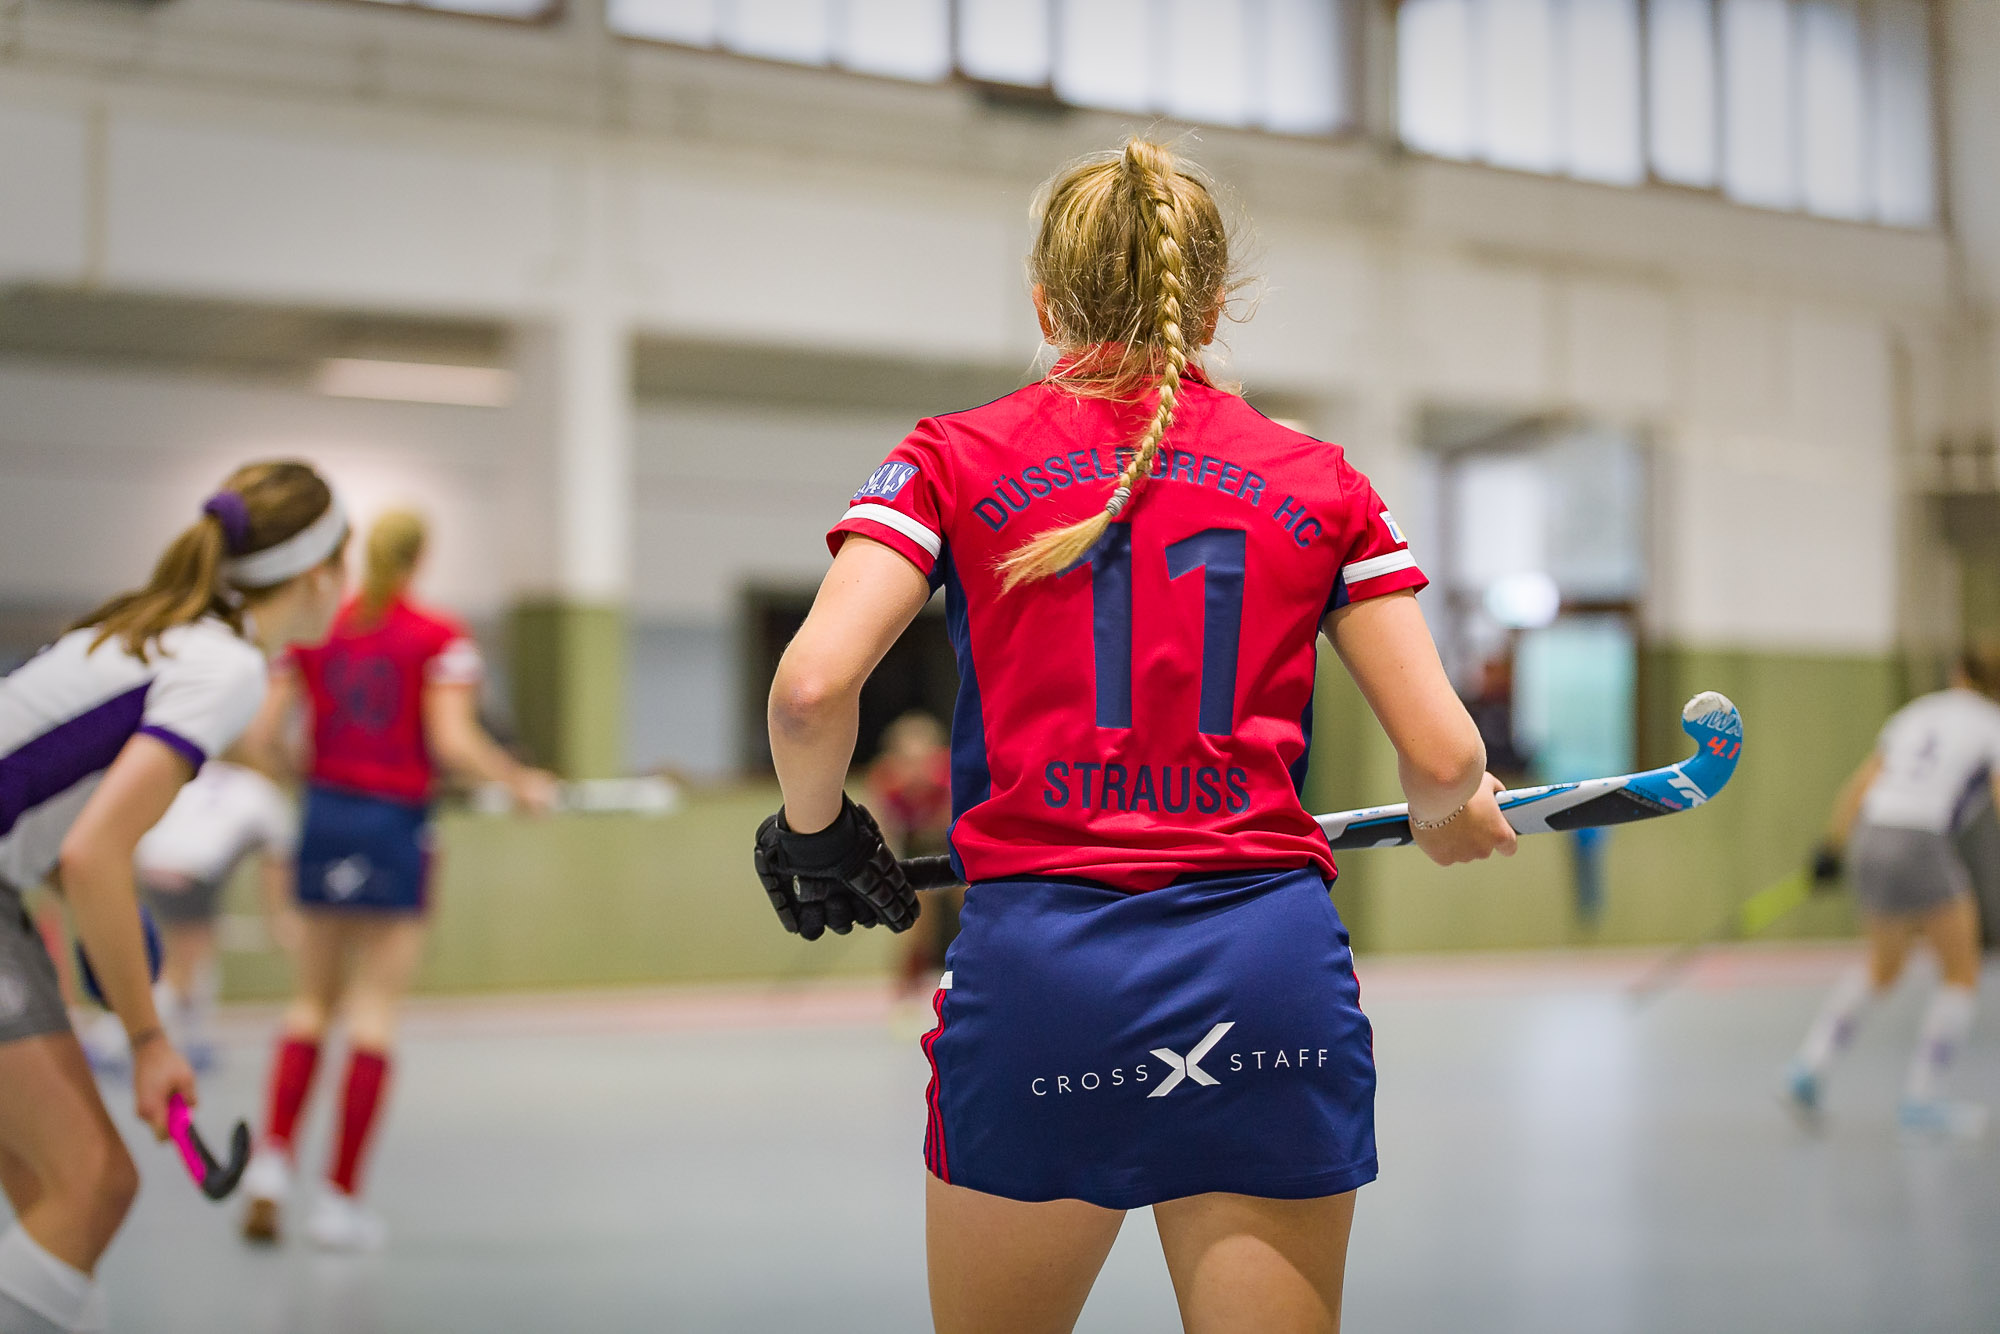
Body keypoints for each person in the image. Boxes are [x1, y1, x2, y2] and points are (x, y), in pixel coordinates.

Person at [753, 139, 1515, 1334]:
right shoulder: (1321, 481)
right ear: (1211, 307)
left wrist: (814, 832)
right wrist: (1441, 813)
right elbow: (1445, 754)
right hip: (1267, 977)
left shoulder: (949, 457)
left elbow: (807, 692)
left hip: (1045, 980)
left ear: (1043, 302)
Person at [0, 462, 346, 1334]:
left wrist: (117, 942)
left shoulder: (151, 629)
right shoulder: (226, 668)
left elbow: (53, 831)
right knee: (94, 1183)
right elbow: (94, 854)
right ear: (318, 576)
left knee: (51, 1195)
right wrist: (151, 1041)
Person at [239, 508, 556, 1252]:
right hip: (392, 824)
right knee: (373, 1010)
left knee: (310, 1003)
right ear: (420, 558)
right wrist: (518, 782)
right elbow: (452, 741)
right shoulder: (438, 637)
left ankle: (270, 1164)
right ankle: (339, 1200)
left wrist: (304, 774)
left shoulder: (319, 631)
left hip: (324, 816)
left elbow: (259, 735)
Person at [1782, 645, 2000, 1138]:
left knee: (1884, 967)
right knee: (1962, 971)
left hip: (1872, 834)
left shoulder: (1916, 713)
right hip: (1922, 840)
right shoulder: (1992, 725)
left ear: (1957, 672)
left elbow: (1859, 786)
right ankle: (1923, 1099)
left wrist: (1831, 848)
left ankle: (1809, 1066)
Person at [867, 713, 958, 999]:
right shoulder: (885, 781)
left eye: (924, 759)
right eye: (907, 760)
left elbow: (958, 823)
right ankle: (908, 984)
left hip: (954, 850)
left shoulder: (950, 776)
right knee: (915, 918)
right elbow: (884, 831)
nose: (917, 768)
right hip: (915, 852)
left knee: (973, 905)